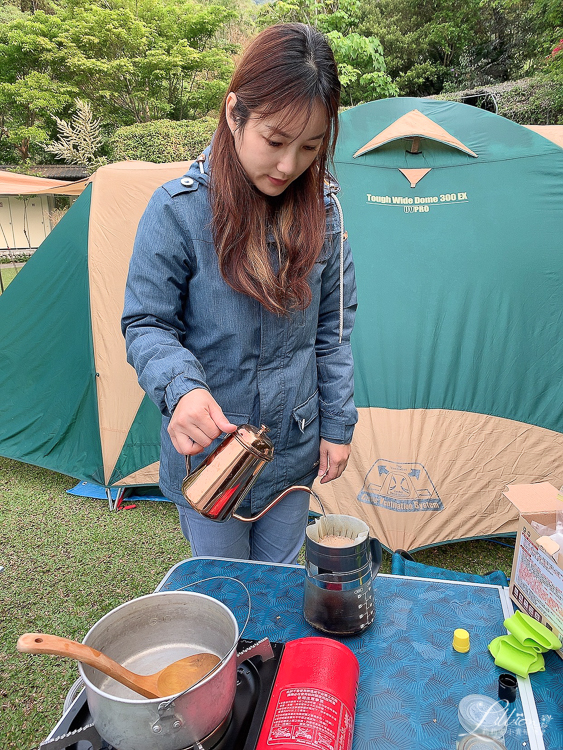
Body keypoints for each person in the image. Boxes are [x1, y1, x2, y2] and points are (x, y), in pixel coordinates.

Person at [121, 23, 358, 564]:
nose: (288, 166)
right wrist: (180, 389)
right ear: (234, 114)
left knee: (277, 585)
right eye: (274, 141)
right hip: (209, 449)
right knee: (223, 589)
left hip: (294, 444)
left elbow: (334, 332)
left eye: (310, 147)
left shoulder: (325, 210)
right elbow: (146, 323)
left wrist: (338, 424)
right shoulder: (178, 210)